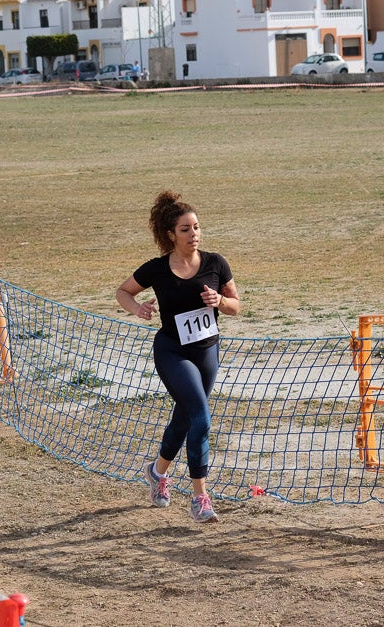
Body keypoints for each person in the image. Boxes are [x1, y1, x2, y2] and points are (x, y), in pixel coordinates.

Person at [116, 191, 240, 523]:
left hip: (207, 351)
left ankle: (156, 474)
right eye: (185, 229)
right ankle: (200, 497)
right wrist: (138, 308)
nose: (193, 234)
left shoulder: (216, 263)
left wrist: (219, 302)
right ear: (171, 234)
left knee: (185, 418)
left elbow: (236, 306)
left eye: (197, 227)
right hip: (172, 351)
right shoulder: (157, 269)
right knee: (201, 417)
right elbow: (122, 291)